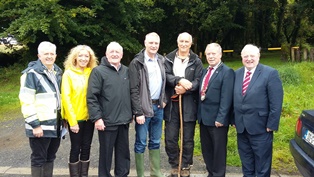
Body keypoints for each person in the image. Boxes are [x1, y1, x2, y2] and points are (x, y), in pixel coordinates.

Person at [233, 44, 283, 177]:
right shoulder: (236, 73)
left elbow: (276, 102)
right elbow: (233, 99)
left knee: (262, 167)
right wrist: (233, 119)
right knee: (247, 164)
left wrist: (271, 124)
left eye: (252, 56)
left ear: (258, 56)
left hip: (261, 128)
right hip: (241, 128)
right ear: (242, 57)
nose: (249, 59)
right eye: (246, 56)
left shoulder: (270, 73)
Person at [87, 41, 132, 177]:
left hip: (124, 121)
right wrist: (97, 118)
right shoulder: (98, 71)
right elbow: (92, 97)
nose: (114, 54)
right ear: (106, 54)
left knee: (123, 154)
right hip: (107, 122)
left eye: (117, 52)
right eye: (111, 51)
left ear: (122, 55)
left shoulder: (126, 71)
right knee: (106, 154)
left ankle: (122, 174)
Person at [19, 41, 63, 177]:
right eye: (46, 54)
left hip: (55, 125)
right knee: (38, 159)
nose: (49, 56)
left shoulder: (57, 72)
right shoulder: (31, 74)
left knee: (50, 157)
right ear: (39, 56)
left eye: (52, 54)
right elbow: (26, 101)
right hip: (40, 126)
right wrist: (35, 125)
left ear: (55, 55)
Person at [164, 32, 203, 177]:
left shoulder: (196, 61)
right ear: (177, 42)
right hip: (171, 106)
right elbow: (166, 75)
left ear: (191, 43)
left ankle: (185, 167)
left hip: (189, 105)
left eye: (187, 41)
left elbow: (199, 81)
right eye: (181, 41)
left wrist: (187, 88)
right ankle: (175, 166)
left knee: (187, 139)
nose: (184, 44)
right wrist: (179, 80)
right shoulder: (168, 58)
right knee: (170, 139)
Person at [129, 32, 166, 177]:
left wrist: (165, 99)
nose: (154, 45)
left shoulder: (162, 60)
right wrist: (138, 112)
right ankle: (140, 174)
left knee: (156, 141)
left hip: (158, 107)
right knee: (141, 143)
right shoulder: (137, 62)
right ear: (145, 43)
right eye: (151, 43)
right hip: (143, 109)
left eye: (156, 43)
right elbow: (133, 89)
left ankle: (155, 173)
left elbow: (166, 83)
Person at [197, 43, 234, 177]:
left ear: (220, 54)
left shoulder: (227, 72)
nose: (211, 56)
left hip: (217, 120)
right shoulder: (205, 71)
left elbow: (226, 97)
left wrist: (221, 118)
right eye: (208, 54)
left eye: (214, 54)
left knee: (218, 152)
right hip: (204, 118)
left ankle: (218, 174)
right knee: (207, 150)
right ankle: (211, 173)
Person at [61, 45, 98, 177]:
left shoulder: (92, 72)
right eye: (80, 56)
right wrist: (72, 121)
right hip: (76, 118)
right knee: (75, 148)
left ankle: (84, 174)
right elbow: (66, 99)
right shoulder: (68, 74)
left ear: (90, 58)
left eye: (86, 56)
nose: (83, 58)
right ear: (75, 57)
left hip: (89, 118)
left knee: (87, 147)